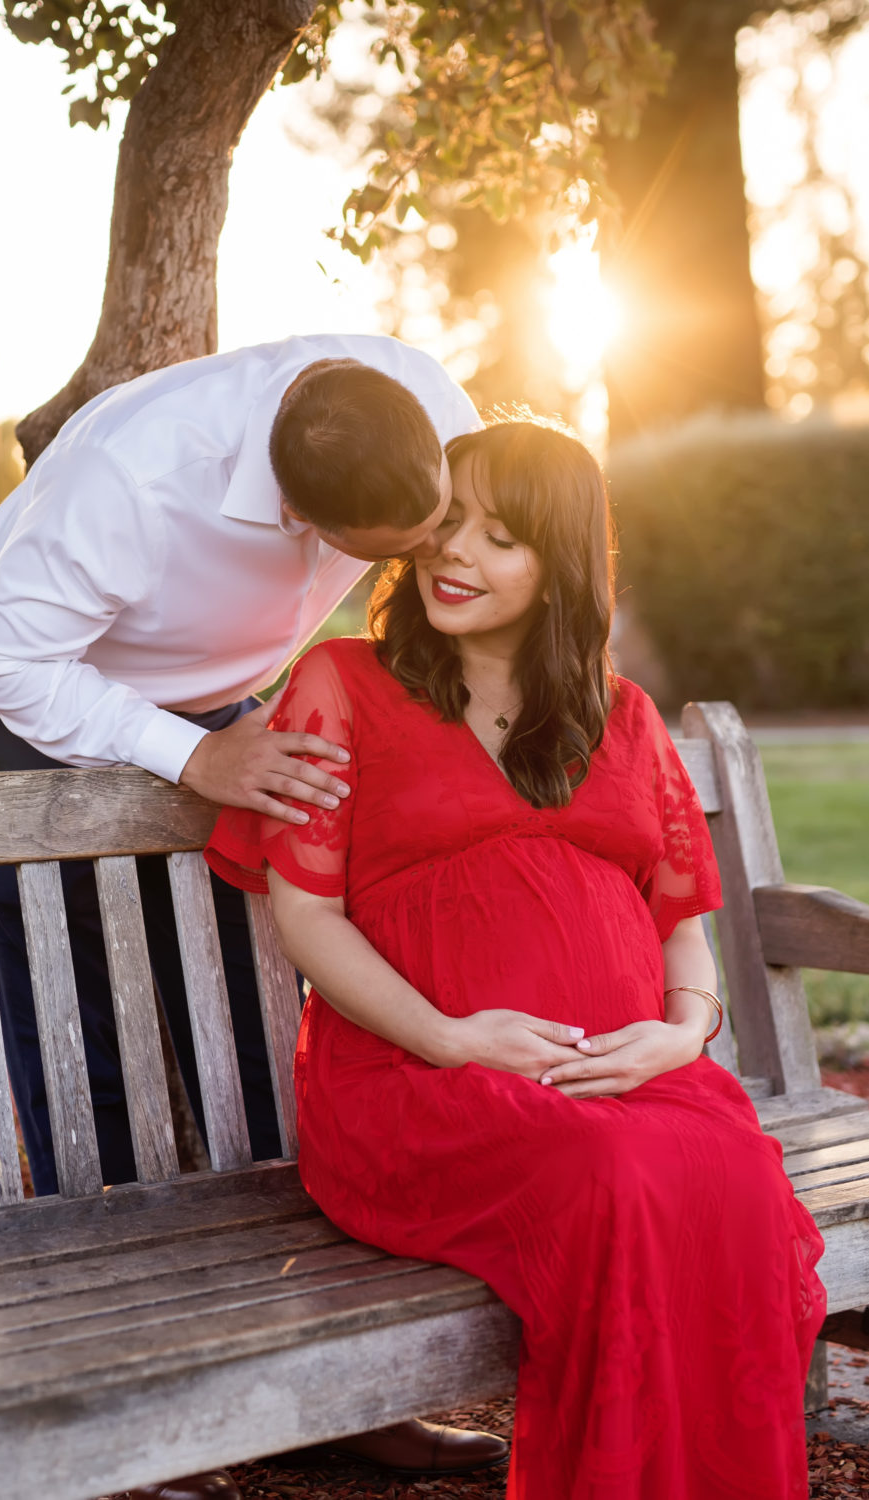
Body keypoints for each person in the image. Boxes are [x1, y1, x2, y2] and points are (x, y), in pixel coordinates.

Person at [205, 417, 826, 1499]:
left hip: (626, 1077)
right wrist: (454, 1038)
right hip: (416, 1083)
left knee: (731, 1182)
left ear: (559, 563)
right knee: (617, 1179)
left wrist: (680, 1033)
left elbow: (681, 919)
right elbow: (305, 921)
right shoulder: (341, 688)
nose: (454, 554)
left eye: (500, 536)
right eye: (446, 524)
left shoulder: (618, 718)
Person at [0, 334, 507, 1500]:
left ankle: (317, 1402)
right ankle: (108, 1421)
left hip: (227, 715)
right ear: (298, 512)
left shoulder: (421, 407)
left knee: (261, 1045)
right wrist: (192, 757)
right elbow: (3, 658)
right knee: (81, 1066)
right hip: (52, 710)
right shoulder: (138, 476)